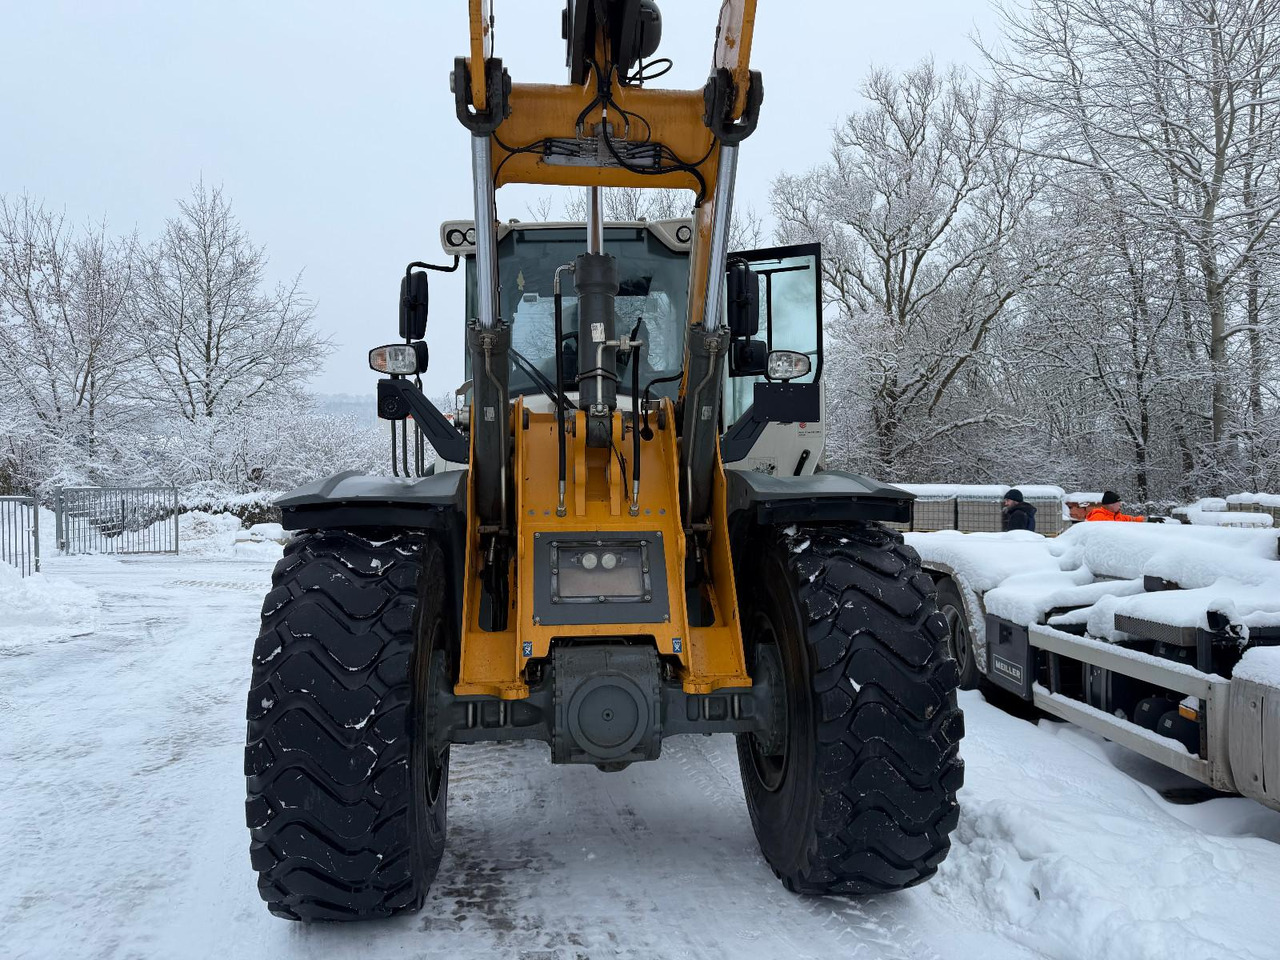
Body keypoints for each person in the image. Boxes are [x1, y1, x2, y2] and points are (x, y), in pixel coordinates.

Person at [1085, 491, 1164, 522]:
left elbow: (1133, 519)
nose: (1120, 505)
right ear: (1111, 504)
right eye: (1118, 503)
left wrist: (1148, 519)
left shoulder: (1118, 516)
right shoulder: (1098, 517)